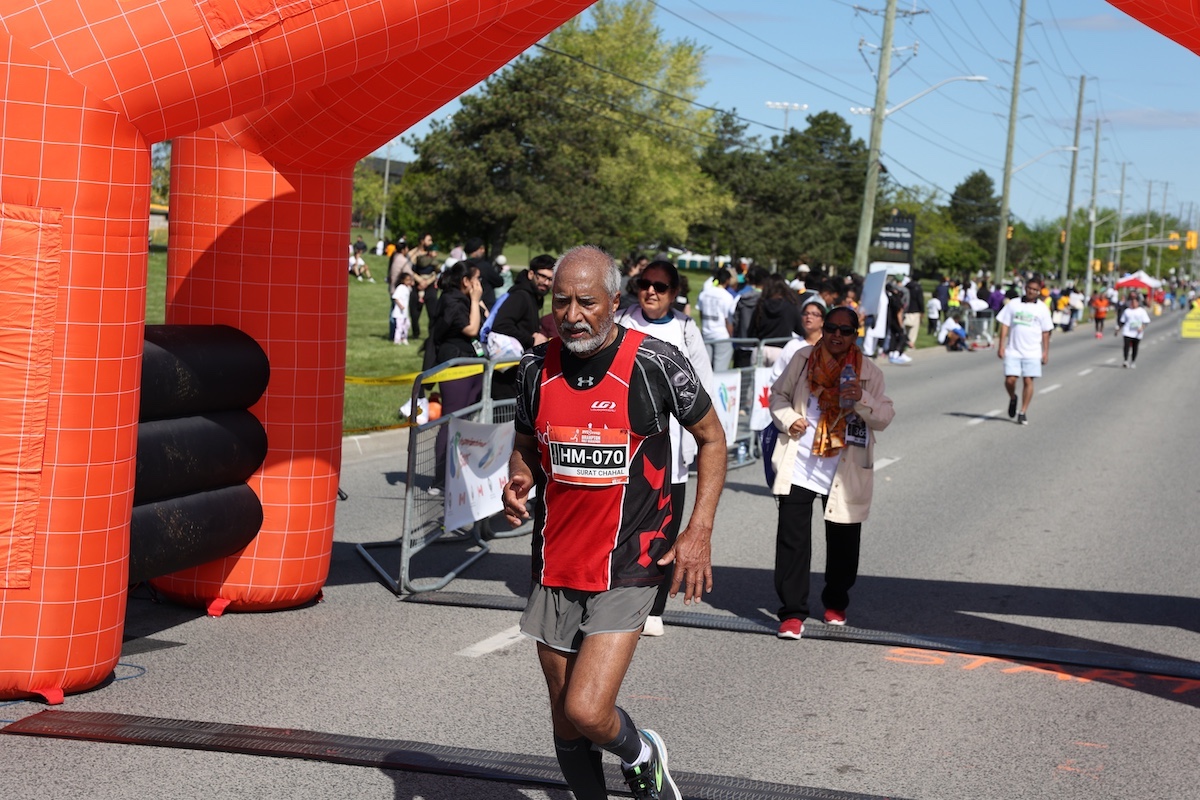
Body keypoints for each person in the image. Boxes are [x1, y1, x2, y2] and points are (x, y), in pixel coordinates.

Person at [502, 245, 726, 800]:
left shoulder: (655, 362)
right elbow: (525, 444)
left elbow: (712, 439)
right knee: (564, 718)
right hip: (555, 560)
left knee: (587, 708)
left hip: (629, 559)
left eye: (587, 302)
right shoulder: (534, 369)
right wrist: (519, 477)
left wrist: (698, 530)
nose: (572, 315)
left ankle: (641, 753)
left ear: (614, 301)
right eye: (561, 302)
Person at [767, 306, 894, 638]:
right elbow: (778, 396)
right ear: (823, 330)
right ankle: (792, 612)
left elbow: (884, 416)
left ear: (855, 335)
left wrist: (861, 398)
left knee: (843, 543)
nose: (837, 335)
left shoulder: (869, 372)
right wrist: (789, 419)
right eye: (832, 328)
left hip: (844, 468)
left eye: (845, 330)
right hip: (801, 461)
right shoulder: (802, 359)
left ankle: (836, 601)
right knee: (792, 540)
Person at [614, 259, 715, 638]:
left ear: (674, 293)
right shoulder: (621, 321)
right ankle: (614, 597)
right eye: (645, 284)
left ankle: (654, 606)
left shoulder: (686, 328)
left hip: (671, 451)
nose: (650, 292)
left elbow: (703, 387)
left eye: (660, 287)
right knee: (622, 525)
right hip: (623, 446)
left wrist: (699, 444)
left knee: (663, 530)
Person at [425, 260, 486, 494]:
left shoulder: (466, 300)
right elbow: (471, 328)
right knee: (452, 420)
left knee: (468, 420)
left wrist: (477, 302)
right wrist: (474, 301)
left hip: (473, 363)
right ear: (466, 281)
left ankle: (460, 473)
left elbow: (484, 323)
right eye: (476, 279)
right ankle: (440, 480)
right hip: (456, 364)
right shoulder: (451, 300)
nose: (479, 284)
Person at [489, 255, 555, 399]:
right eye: (542, 276)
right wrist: (531, 339)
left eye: (550, 279)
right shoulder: (520, 296)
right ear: (531, 274)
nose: (546, 282)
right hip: (506, 376)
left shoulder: (533, 297)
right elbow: (500, 325)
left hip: (518, 371)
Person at [996, 276, 1053, 426]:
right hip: (1013, 349)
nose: (1031, 291)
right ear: (1025, 288)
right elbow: (1005, 324)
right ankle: (1013, 398)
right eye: (1029, 288)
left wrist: (1045, 352)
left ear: (1039, 291)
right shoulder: (1013, 304)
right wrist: (1001, 345)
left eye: (1035, 289)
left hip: (1032, 351)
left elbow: (1046, 332)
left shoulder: (1042, 308)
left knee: (1028, 380)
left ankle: (1022, 411)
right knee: (1010, 380)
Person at [697, 268, 738, 371]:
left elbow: (701, 313)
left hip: (706, 334)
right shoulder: (727, 296)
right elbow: (728, 320)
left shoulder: (704, 293)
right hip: (722, 335)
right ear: (727, 280)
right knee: (720, 371)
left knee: (706, 369)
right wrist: (731, 336)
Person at [410, 233, 440, 339]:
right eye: (429, 240)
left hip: (430, 286)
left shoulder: (433, 257)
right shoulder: (415, 254)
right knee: (414, 313)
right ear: (422, 241)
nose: (431, 242)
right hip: (417, 285)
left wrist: (427, 282)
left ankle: (432, 334)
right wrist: (420, 280)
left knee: (432, 312)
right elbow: (410, 269)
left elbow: (437, 272)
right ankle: (415, 333)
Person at [464, 237, 505, 310]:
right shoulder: (485, 266)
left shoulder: (462, 266)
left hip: (465, 304)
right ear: (475, 250)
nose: (483, 251)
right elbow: (499, 281)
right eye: (481, 249)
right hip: (485, 305)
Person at [1118, 293, 1151, 368]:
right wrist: (1118, 329)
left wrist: (1141, 328)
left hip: (1137, 332)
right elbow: (1122, 321)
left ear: (1138, 303)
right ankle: (1125, 360)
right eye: (1132, 302)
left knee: (1135, 347)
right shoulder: (1127, 311)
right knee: (1126, 346)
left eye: (1135, 302)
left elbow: (1146, 322)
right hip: (1127, 331)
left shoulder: (1141, 311)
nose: (1133, 304)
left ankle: (1133, 361)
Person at [390, 271, 414, 345]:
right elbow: (395, 297)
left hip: (405, 312)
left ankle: (404, 338)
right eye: (407, 280)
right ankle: (397, 340)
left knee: (406, 325)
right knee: (399, 326)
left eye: (409, 280)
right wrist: (400, 305)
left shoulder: (407, 288)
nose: (409, 281)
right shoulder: (400, 287)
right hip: (399, 312)